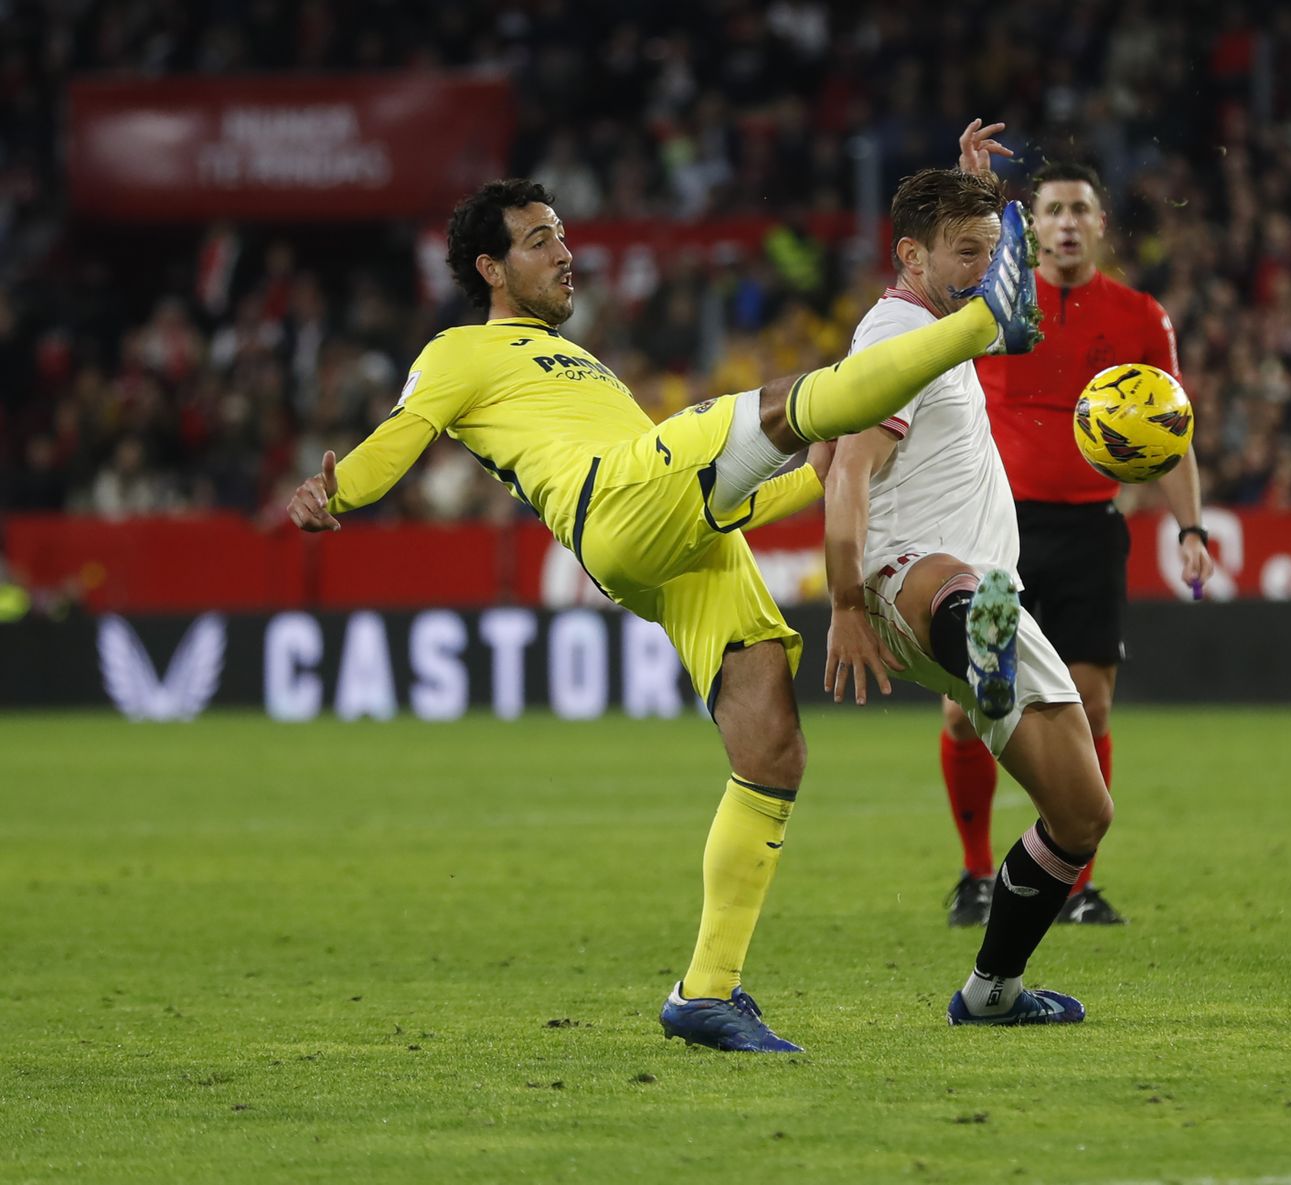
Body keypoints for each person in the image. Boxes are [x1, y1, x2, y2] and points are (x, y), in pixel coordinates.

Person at [286, 178, 1043, 1052]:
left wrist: (820, 473)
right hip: (617, 500)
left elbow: (716, 496)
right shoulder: (460, 351)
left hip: (669, 535)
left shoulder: (583, 365)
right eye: (538, 240)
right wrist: (335, 490)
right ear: (490, 267)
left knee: (773, 746)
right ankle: (988, 321)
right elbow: (396, 441)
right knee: (795, 400)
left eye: (563, 232)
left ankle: (706, 991)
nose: (565, 251)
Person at [824, 163, 1113, 1025]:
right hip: (915, 580)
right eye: (963, 252)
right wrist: (843, 602)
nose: (981, 269)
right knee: (964, 584)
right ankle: (976, 623)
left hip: (972, 605)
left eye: (988, 251)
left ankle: (993, 990)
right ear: (909, 254)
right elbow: (847, 473)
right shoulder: (894, 340)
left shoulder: (943, 328)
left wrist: (984, 195)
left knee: (1081, 813)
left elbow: (1013, 306)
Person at [934, 122, 1214, 927]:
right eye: (1050, 209)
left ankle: (1076, 884)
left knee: (1090, 708)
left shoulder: (1139, 317)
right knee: (964, 705)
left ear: (1098, 224)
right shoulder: (995, 300)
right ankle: (976, 872)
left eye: (1077, 211)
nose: (1062, 223)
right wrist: (970, 187)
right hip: (995, 528)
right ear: (1037, 220)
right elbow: (954, 253)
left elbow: (1170, 433)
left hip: (1091, 529)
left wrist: (1191, 531)